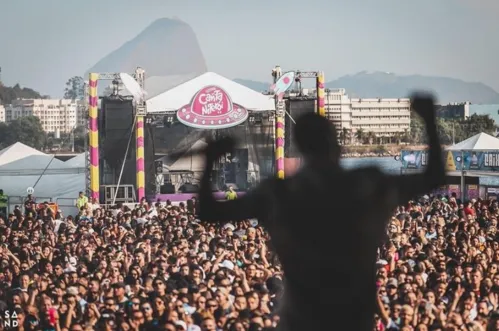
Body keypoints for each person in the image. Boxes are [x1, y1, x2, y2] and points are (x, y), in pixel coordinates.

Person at [197, 93, 446, 330]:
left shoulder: (279, 194)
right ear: (335, 143)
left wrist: (210, 160)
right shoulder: (367, 186)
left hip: (300, 322)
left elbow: (208, 211)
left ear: (301, 148)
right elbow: (434, 176)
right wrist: (428, 118)